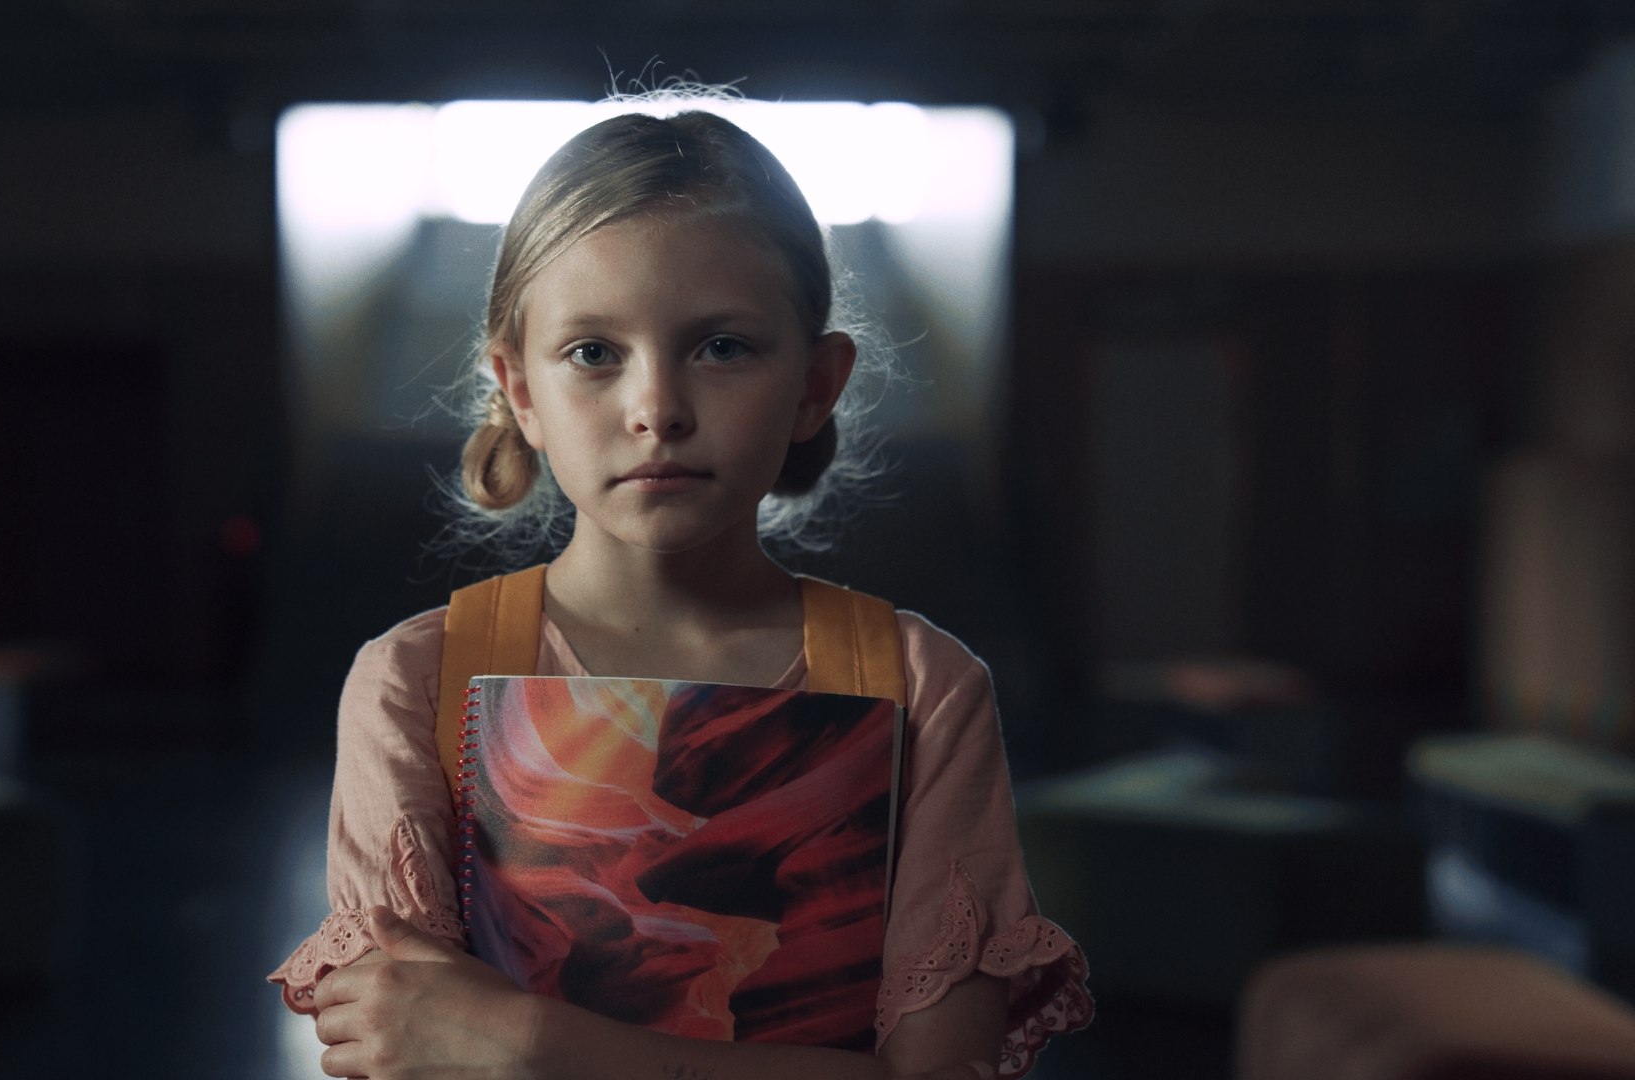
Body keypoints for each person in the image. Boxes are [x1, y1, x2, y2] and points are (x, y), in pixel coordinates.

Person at [269, 102, 1092, 1080]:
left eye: (722, 347)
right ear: (520, 389)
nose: (656, 408)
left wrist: (534, 1044)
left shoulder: (923, 684)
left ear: (815, 386)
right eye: (593, 354)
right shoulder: (414, 683)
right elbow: (404, 1044)